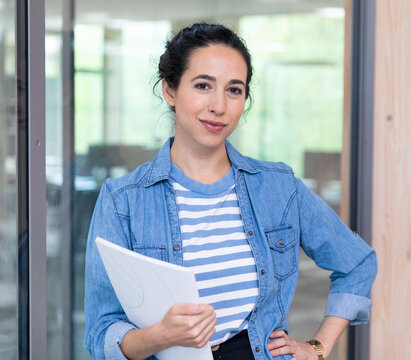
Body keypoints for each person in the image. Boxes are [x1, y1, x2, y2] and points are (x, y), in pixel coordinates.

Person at [84, 23, 377, 360]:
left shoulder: (278, 187)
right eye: (203, 85)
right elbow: (100, 333)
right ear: (170, 89)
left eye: (234, 90)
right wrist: (159, 336)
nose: (219, 106)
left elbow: (358, 263)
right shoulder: (123, 200)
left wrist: (318, 347)